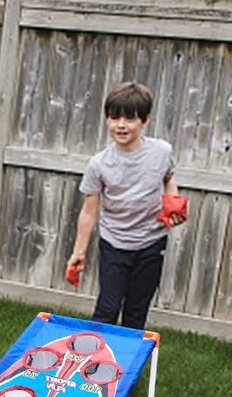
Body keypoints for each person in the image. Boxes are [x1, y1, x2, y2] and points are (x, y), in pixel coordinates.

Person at [66, 81, 184, 330]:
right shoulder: (99, 164)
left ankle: (127, 368)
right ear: (106, 119)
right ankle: (95, 365)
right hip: (114, 243)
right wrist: (79, 251)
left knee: (136, 312)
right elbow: (89, 210)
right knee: (107, 310)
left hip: (152, 243)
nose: (121, 125)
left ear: (145, 120)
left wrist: (172, 202)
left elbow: (168, 177)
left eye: (130, 119)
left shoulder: (162, 151)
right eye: (114, 117)